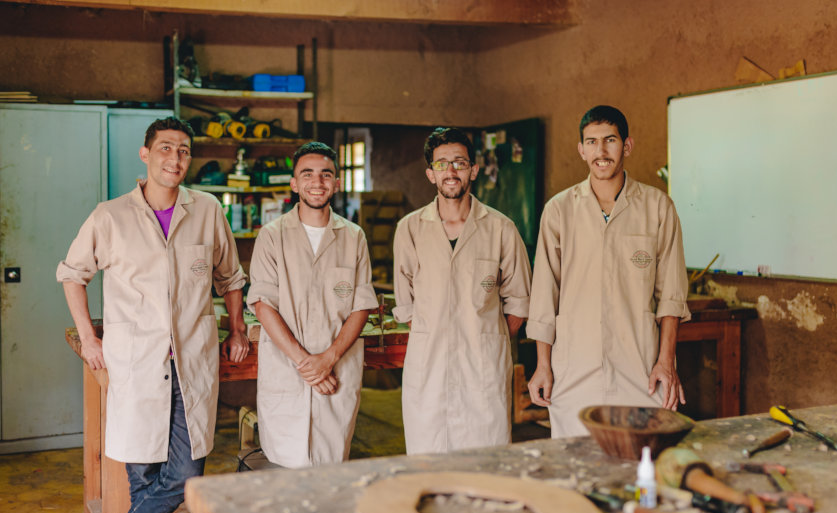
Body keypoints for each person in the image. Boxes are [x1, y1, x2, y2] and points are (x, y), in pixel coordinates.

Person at [57, 116, 249, 513]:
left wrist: (235, 328)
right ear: (145, 154)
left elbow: (231, 276)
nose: (176, 158)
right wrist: (91, 337)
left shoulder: (206, 212)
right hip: (137, 368)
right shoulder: (111, 216)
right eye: (166, 148)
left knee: (186, 477)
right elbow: (72, 275)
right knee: (145, 481)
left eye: (184, 150)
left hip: (191, 367)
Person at [527, 105, 690, 438]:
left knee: (638, 465)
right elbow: (545, 295)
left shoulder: (658, 207)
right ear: (581, 150)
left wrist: (666, 362)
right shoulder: (559, 211)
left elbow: (672, 296)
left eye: (610, 140)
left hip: (640, 368)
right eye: (591, 142)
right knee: (575, 467)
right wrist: (543, 365)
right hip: (573, 369)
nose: (600, 151)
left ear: (626, 146)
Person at [392, 127, 531, 454]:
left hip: (482, 370)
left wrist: (485, 337)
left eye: (459, 163)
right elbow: (406, 305)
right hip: (429, 369)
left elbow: (520, 304)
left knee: (487, 461)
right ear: (430, 174)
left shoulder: (501, 229)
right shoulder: (410, 229)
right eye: (441, 164)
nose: (451, 171)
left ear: (474, 169)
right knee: (428, 461)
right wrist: (438, 334)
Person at [247, 142, 376, 467]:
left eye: (325, 174)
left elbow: (361, 305)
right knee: (284, 471)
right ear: (293, 183)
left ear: (336, 183)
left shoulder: (353, 236)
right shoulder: (272, 236)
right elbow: (263, 304)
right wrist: (309, 365)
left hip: (338, 370)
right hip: (288, 371)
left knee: (330, 468)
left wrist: (328, 359)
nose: (317, 182)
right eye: (307, 174)